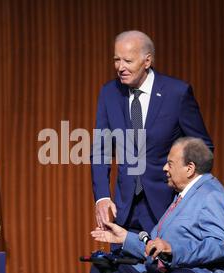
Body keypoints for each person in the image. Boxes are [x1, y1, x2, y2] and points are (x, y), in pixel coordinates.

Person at [91, 30, 214, 242]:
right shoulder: (109, 93)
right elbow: (100, 150)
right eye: (116, 60)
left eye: (128, 60)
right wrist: (102, 196)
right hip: (124, 210)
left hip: (168, 206)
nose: (120, 67)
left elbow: (203, 149)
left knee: (163, 272)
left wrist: (186, 194)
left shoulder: (177, 93)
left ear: (147, 61)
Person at [90, 137, 224, 273]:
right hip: (165, 272)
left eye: (170, 164)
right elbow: (157, 248)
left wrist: (174, 251)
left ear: (189, 168)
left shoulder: (211, 194)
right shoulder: (181, 196)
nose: (164, 168)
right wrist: (125, 238)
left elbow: (221, 245)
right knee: (104, 270)